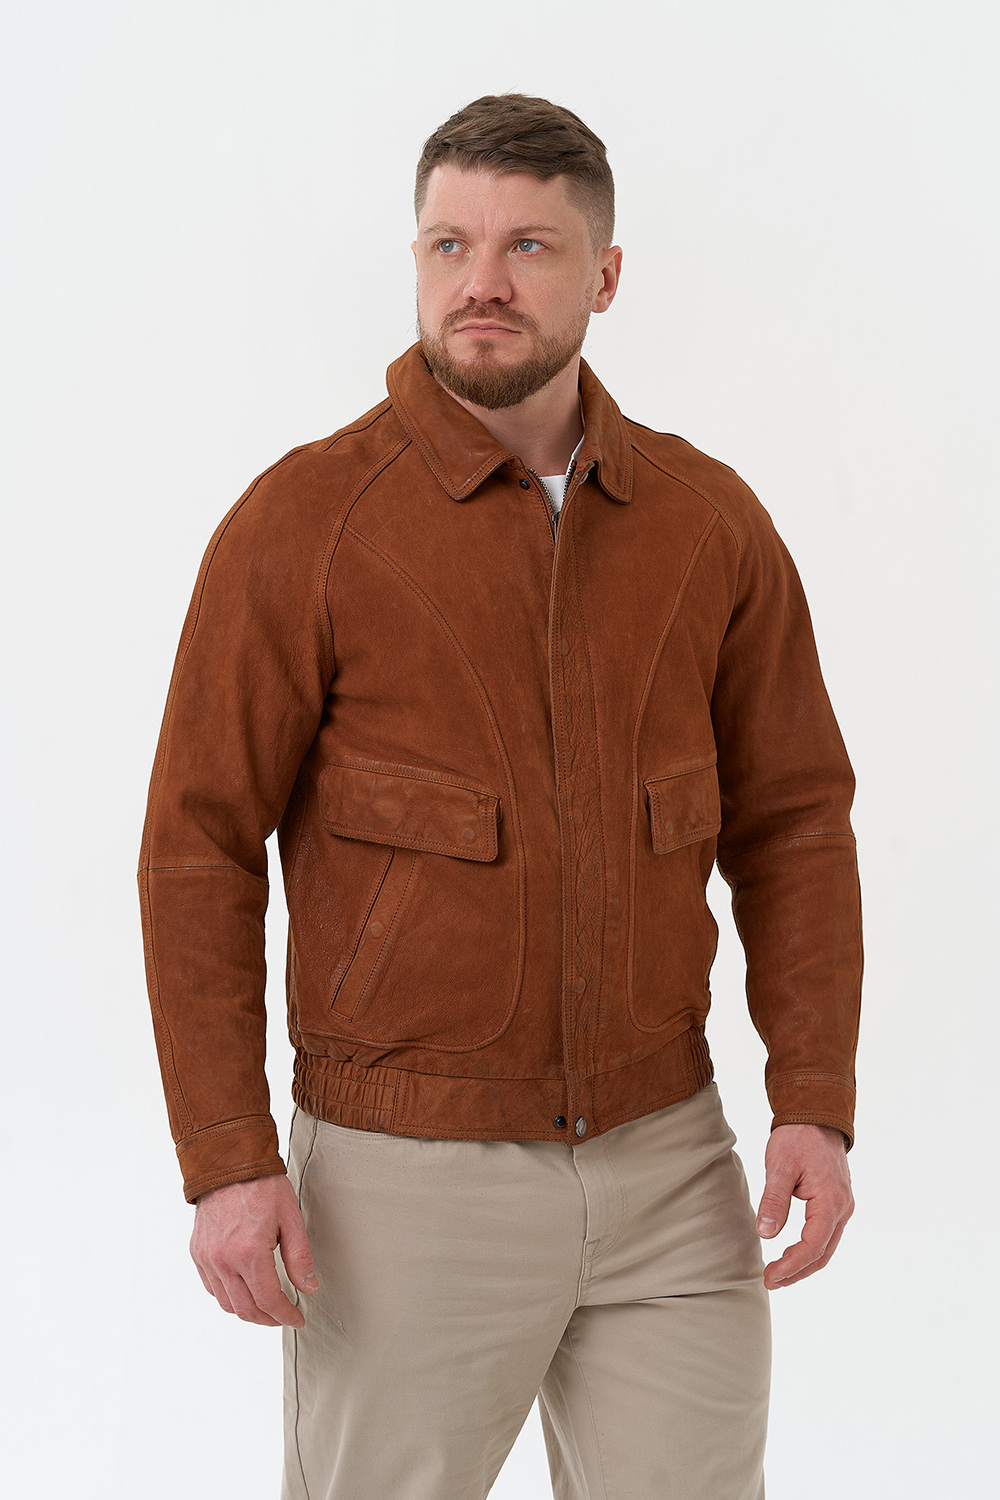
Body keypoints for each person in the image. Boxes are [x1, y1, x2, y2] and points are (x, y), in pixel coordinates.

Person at [138, 93, 862, 1500]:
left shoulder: (707, 522)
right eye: (448, 244)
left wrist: (815, 1100)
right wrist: (226, 1156)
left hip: (671, 1162)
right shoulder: (305, 523)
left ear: (604, 275)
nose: (481, 281)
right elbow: (196, 848)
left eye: (529, 245)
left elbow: (795, 823)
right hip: (401, 1181)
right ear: (416, 262)